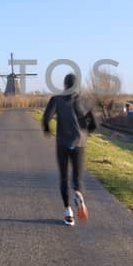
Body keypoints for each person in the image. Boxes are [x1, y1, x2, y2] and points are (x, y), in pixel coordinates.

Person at [42, 72, 98, 226]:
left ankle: (68, 212)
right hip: (79, 142)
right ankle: (78, 194)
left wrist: (47, 129)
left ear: (64, 84)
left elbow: (46, 117)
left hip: (62, 143)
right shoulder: (84, 100)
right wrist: (85, 133)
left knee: (64, 178)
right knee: (77, 178)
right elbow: (94, 123)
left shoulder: (56, 99)